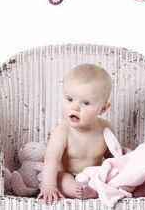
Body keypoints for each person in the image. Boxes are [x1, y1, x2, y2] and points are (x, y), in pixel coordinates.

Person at [38, 63, 130, 203]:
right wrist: (49, 186)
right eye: (69, 99)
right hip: (68, 175)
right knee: (62, 179)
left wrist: (125, 155)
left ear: (103, 108)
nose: (74, 107)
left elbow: (111, 155)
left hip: (94, 175)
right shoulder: (63, 132)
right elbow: (51, 160)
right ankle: (82, 191)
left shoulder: (105, 129)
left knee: (112, 173)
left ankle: (101, 188)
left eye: (86, 103)